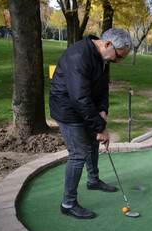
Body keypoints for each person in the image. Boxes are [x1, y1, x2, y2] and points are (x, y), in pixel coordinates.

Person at [49, 28, 132, 219]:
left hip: (85, 105)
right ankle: (68, 204)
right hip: (67, 108)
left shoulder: (104, 56)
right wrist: (101, 127)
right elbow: (79, 98)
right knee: (79, 153)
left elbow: (103, 88)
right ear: (108, 44)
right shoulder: (78, 55)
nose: (118, 61)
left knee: (93, 143)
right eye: (119, 57)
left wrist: (102, 111)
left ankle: (93, 180)